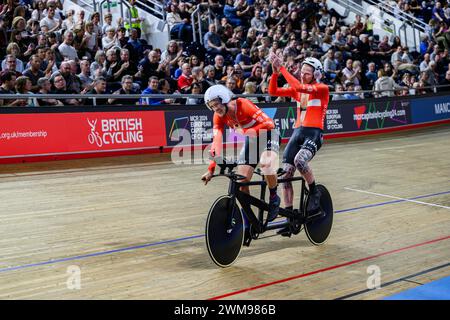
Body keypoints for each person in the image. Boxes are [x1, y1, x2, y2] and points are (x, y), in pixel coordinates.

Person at [268, 54, 329, 234]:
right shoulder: (298, 90)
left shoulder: (321, 88)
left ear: (316, 75)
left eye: (307, 73)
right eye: (301, 72)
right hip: (298, 132)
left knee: (300, 161)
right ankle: (290, 219)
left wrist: (283, 69)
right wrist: (274, 73)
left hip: (314, 132)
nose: (303, 75)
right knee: (285, 175)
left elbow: (298, 85)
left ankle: (314, 191)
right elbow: (273, 92)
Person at [201, 85, 281, 222]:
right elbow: (216, 142)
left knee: (266, 164)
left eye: (217, 104)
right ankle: (248, 220)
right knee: (241, 181)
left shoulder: (243, 104)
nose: (216, 109)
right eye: (212, 106)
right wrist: (211, 169)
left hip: (269, 134)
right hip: (253, 140)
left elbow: (269, 123)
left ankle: (274, 197)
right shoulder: (218, 116)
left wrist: (245, 132)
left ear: (225, 99)